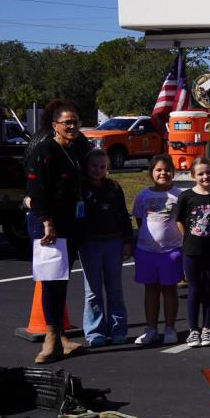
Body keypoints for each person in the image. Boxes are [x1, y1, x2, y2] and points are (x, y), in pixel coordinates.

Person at [26, 98, 90, 363]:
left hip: (71, 221)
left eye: (75, 121)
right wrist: (46, 221)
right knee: (51, 280)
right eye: (67, 122)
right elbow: (35, 189)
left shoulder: (76, 149)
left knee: (61, 278)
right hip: (47, 223)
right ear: (55, 125)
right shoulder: (44, 151)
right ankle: (51, 339)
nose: (72, 126)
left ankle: (61, 335)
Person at [78, 148, 133, 347]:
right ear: (86, 167)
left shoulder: (114, 188)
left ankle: (118, 330)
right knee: (92, 291)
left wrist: (128, 241)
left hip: (113, 242)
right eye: (93, 166)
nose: (98, 170)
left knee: (114, 289)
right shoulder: (80, 188)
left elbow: (123, 214)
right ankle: (95, 331)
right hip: (89, 244)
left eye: (102, 166)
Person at [173, 157, 210, 348]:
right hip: (191, 250)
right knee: (194, 289)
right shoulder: (186, 196)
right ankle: (193, 329)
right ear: (193, 176)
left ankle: (207, 329)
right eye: (201, 173)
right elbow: (179, 220)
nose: (205, 176)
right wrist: (187, 237)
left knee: (209, 289)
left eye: (209, 172)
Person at [132, 154, 182, 346]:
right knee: (150, 291)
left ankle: (170, 328)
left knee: (169, 290)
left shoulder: (178, 195)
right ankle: (151, 328)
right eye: (158, 170)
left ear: (173, 172)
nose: (163, 173)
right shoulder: (143, 195)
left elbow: (182, 220)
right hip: (146, 251)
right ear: (151, 173)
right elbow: (138, 219)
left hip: (171, 251)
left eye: (167, 170)